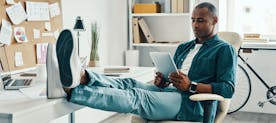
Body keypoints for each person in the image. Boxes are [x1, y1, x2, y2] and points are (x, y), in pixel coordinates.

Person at [47, 2, 236, 122]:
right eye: (193, 20)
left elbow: (227, 89)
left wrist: (191, 86)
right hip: (169, 92)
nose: (195, 25)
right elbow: (175, 78)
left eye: (201, 21)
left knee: (137, 96)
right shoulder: (184, 47)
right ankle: (81, 76)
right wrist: (164, 80)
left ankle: (72, 90)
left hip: (192, 104)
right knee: (128, 82)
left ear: (215, 20)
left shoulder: (224, 49)